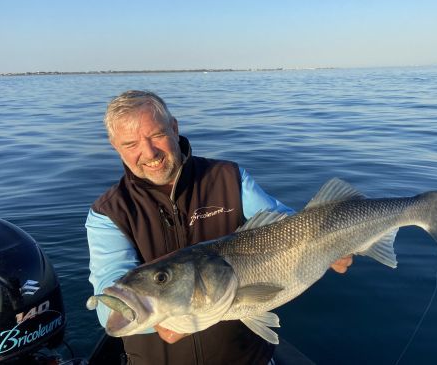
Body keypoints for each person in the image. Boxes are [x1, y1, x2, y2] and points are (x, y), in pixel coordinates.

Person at [86, 90, 353, 365]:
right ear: (115, 146)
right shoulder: (108, 213)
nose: (149, 152)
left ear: (174, 128)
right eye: (130, 144)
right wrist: (165, 320)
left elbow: (286, 223)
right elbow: (109, 309)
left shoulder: (228, 178)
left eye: (156, 135)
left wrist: (328, 240)